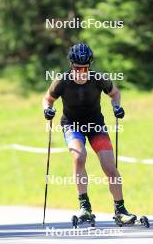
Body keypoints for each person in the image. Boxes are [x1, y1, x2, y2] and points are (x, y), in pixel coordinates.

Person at [42, 43, 136, 224]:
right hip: (72, 125)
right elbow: (48, 99)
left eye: (85, 67)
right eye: (78, 68)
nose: (82, 72)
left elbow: (115, 93)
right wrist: (48, 110)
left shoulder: (98, 78)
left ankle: (120, 210)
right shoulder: (62, 81)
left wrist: (117, 106)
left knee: (109, 167)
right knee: (79, 157)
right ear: (72, 65)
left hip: (95, 125)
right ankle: (85, 207)